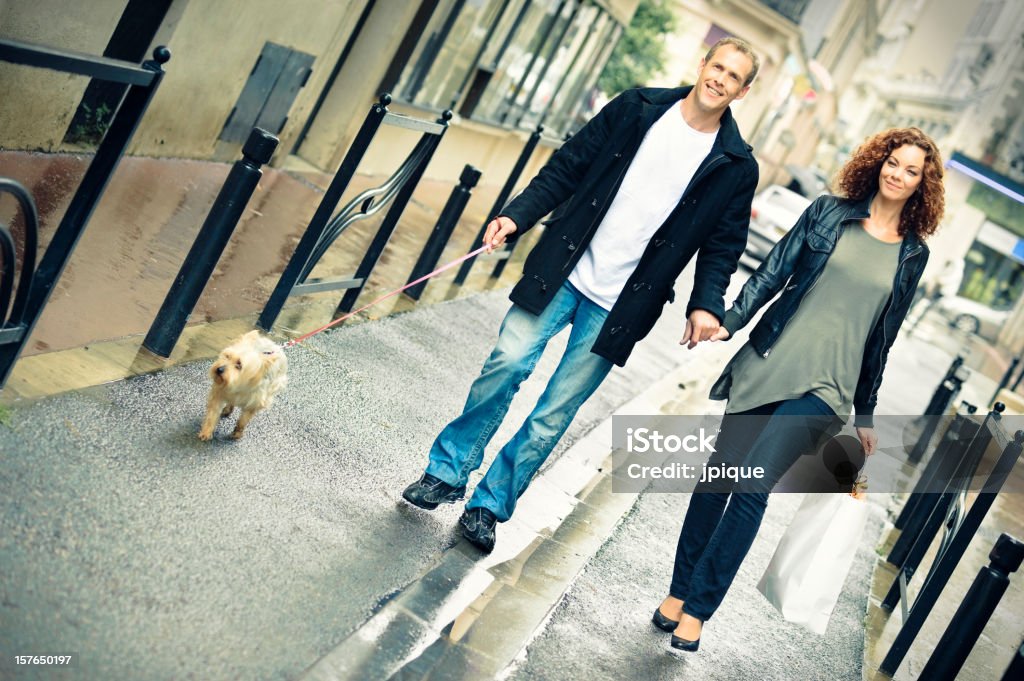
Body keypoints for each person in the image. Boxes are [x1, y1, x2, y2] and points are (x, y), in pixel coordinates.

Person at [401, 37, 762, 553]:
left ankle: (488, 507)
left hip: (622, 304)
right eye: (717, 66)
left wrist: (706, 304)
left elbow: (723, 245)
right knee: (505, 364)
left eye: (733, 76)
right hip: (564, 268)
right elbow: (568, 166)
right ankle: (447, 472)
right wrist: (517, 215)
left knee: (553, 413)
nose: (720, 79)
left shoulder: (735, 164)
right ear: (702, 65)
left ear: (742, 91)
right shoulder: (638, 108)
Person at [653, 127, 945, 651]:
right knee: (719, 477)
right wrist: (729, 319)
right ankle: (677, 593)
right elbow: (772, 273)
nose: (898, 175)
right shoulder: (828, 212)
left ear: (924, 184)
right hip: (769, 360)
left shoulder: (912, 256)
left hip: (825, 390)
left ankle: (698, 610)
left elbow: (883, 337)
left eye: (911, 171)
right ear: (878, 162)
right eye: (894, 163)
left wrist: (867, 412)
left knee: (751, 485)